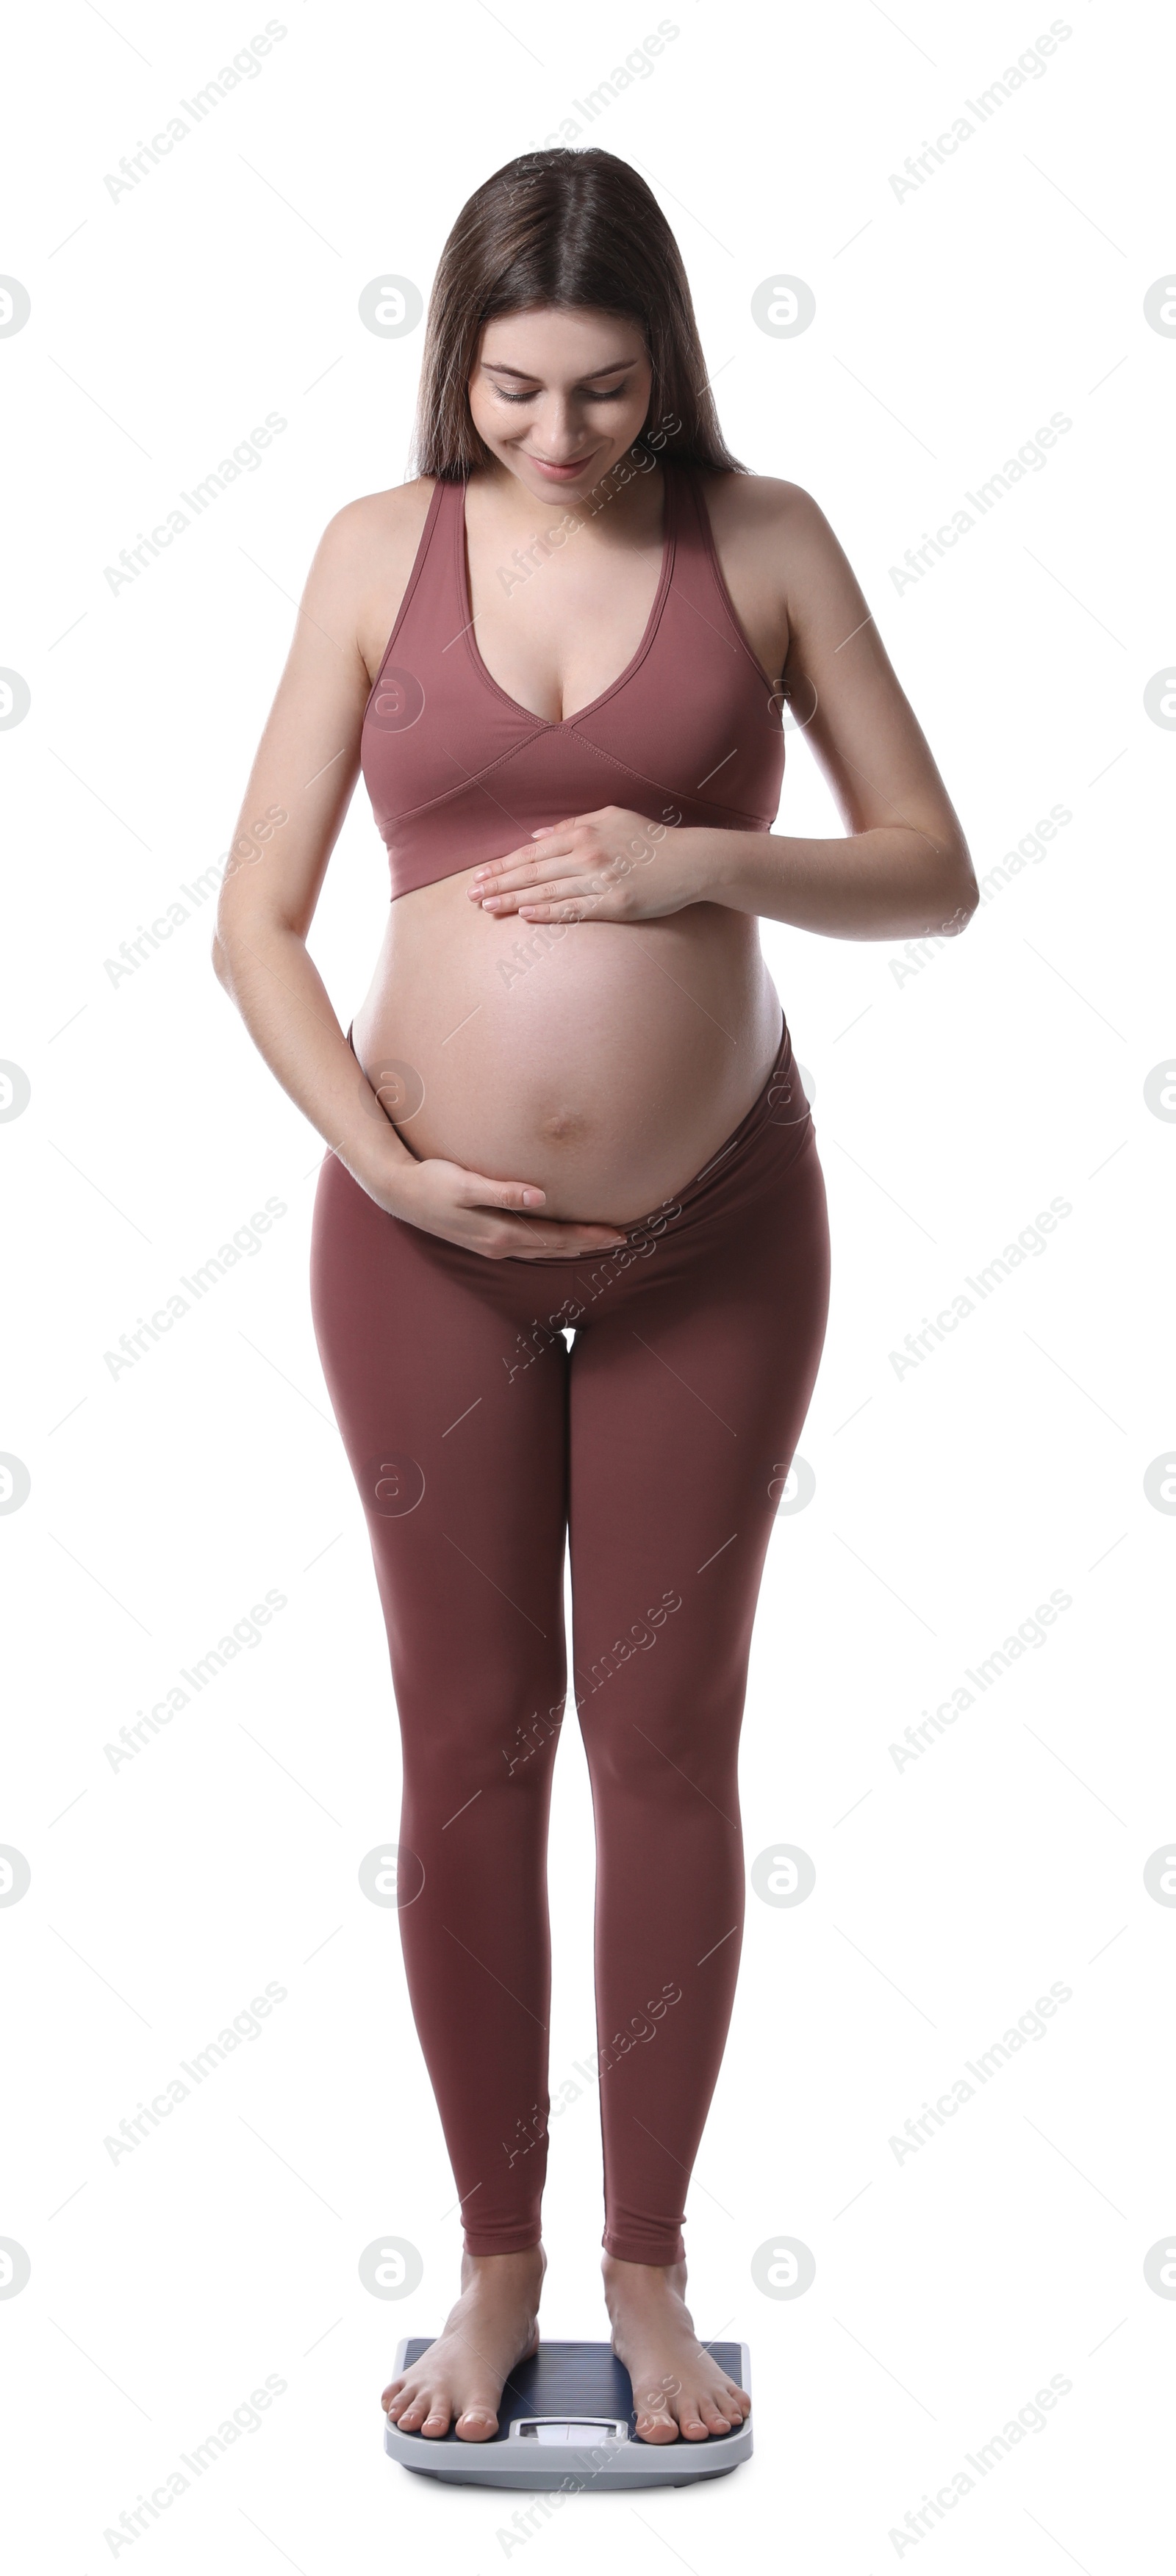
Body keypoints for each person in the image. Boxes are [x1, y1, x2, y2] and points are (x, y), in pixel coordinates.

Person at [212, 145, 977, 2449]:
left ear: (673, 366)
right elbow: (251, 922)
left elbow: (932, 871)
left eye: (610, 390)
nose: (562, 436)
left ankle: (649, 2268)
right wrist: (390, 1159)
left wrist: (697, 856)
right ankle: (496, 2264)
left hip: (717, 1233)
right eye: (519, 387)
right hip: (415, 1241)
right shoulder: (375, 549)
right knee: (466, 1749)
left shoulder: (766, 540)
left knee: (663, 1746)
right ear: (457, 356)